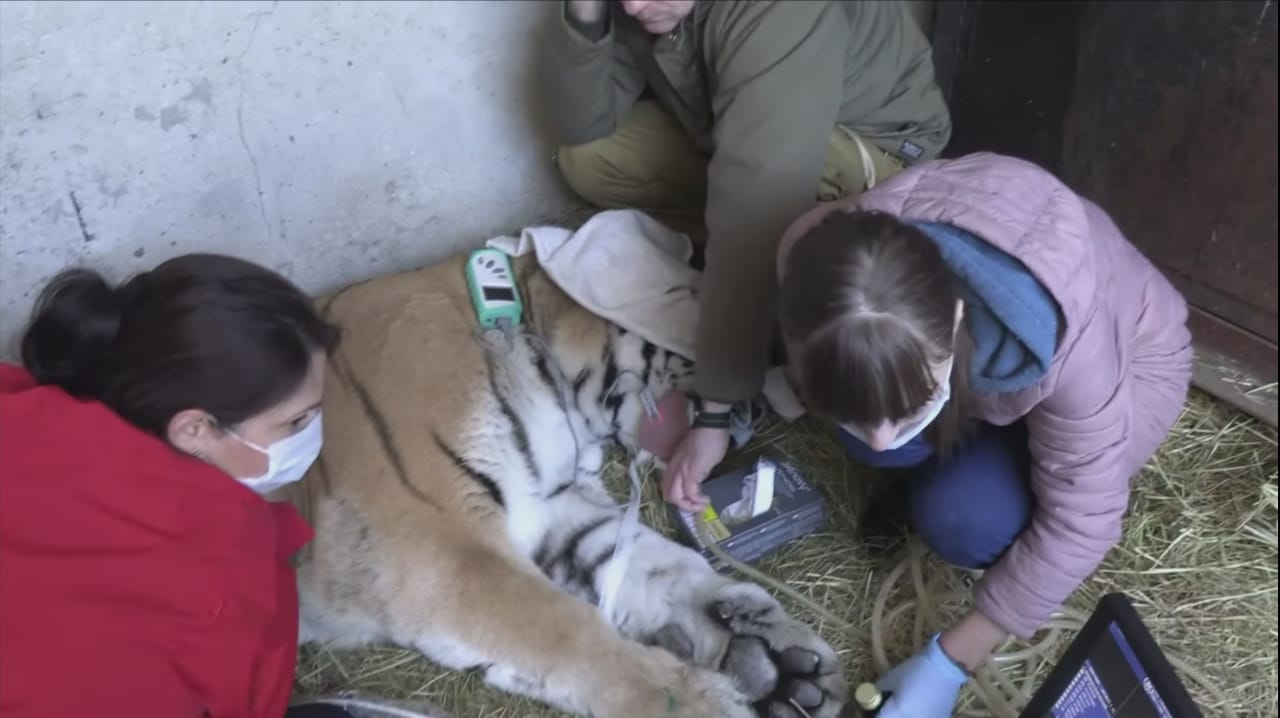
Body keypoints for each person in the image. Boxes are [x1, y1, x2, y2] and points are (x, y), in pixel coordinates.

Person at [773, 152, 1194, 717]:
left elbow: (1083, 518)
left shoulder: (1073, 350)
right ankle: (927, 450)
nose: (879, 440)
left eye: (904, 408)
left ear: (951, 321)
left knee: (966, 517)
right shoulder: (828, 255)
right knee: (879, 426)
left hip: (1130, 367)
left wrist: (951, 660)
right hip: (970, 370)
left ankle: (952, 484)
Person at [540, 0, 953, 508]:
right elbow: (581, 124)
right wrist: (585, 15)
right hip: (743, 130)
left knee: (762, 213)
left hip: (874, 149)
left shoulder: (779, 12)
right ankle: (748, 280)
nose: (633, 4)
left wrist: (716, 411)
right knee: (590, 160)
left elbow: (754, 207)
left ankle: (758, 301)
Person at [0, 254, 357, 718]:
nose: (312, 431)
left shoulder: (19, 407)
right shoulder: (213, 564)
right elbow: (245, 700)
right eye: (295, 421)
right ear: (195, 430)